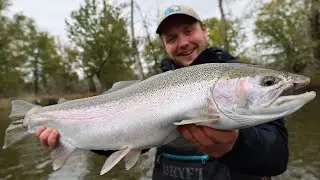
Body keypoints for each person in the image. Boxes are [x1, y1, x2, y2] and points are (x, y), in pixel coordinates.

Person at [35, 4, 289, 180]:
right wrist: (69, 134)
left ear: (205, 29)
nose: (183, 43)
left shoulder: (241, 77)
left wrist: (237, 144)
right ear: (164, 45)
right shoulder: (151, 85)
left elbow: (277, 157)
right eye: (172, 37)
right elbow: (121, 134)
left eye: (189, 31)